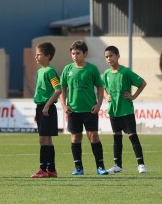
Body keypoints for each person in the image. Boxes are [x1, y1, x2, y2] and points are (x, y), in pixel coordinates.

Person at [60, 40, 108, 175]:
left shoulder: (92, 69)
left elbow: (100, 86)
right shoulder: (67, 69)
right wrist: (64, 105)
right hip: (73, 110)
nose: (75, 56)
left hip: (89, 109)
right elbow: (62, 88)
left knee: (93, 137)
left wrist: (99, 104)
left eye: (78, 53)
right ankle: (79, 168)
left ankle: (100, 167)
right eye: (73, 53)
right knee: (75, 138)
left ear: (85, 54)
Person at [102, 46, 147, 174]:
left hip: (126, 110)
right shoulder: (106, 74)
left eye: (111, 56)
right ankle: (117, 165)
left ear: (118, 56)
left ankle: (141, 164)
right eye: (106, 57)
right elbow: (102, 87)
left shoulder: (126, 72)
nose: (109, 59)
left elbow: (142, 83)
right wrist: (106, 96)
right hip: (113, 111)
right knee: (117, 137)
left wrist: (133, 96)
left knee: (132, 136)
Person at [30, 42, 62, 178]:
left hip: (47, 108)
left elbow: (58, 89)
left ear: (47, 56)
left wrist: (47, 105)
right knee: (46, 139)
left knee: (43, 139)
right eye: (36, 54)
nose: (36, 57)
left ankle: (43, 169)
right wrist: (38, 111)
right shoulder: (40, 71)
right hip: (41, 108)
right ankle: (51, 169)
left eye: (39, 54)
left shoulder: (50, 71)